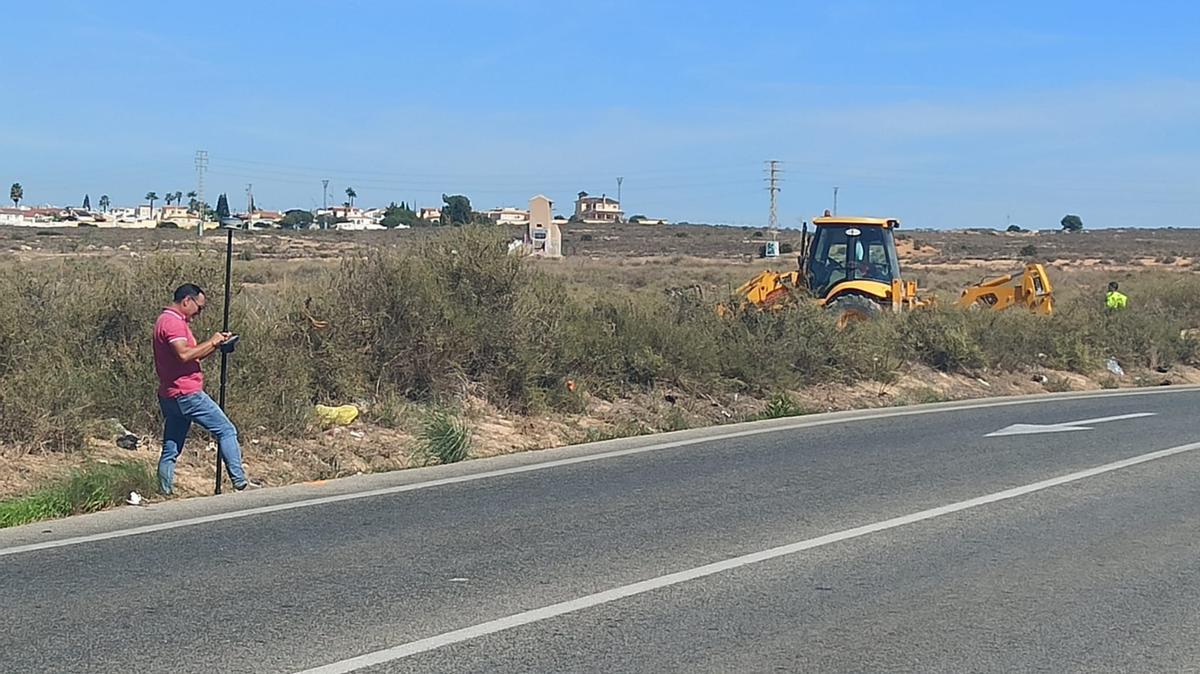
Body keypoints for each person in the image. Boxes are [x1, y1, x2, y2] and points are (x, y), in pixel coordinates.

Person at [153, 283, 259, 494]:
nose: (199, 313)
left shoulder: (168, 321)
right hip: (187, 393)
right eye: (198, 307)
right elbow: (184, 355)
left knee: (171, 447)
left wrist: (216, 345)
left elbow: (194, 354)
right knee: (226, 430)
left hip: (170, 394)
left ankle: (163, 491)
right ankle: (240, 481)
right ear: (186, 301)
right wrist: (211, 340)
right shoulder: (172, 323)